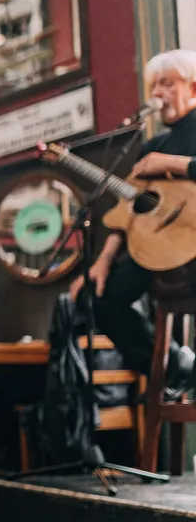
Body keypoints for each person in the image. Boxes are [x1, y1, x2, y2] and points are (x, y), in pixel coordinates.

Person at [72, 49, 196, 399]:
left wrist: (173, 164)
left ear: (194, 88)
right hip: (158, 252)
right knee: (97, 297)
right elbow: (127, 213)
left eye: (167, 84)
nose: (157, 93)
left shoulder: (163, 152)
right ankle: (177, 365)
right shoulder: (148, 148)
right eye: (153, 85)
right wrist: (103, 261)